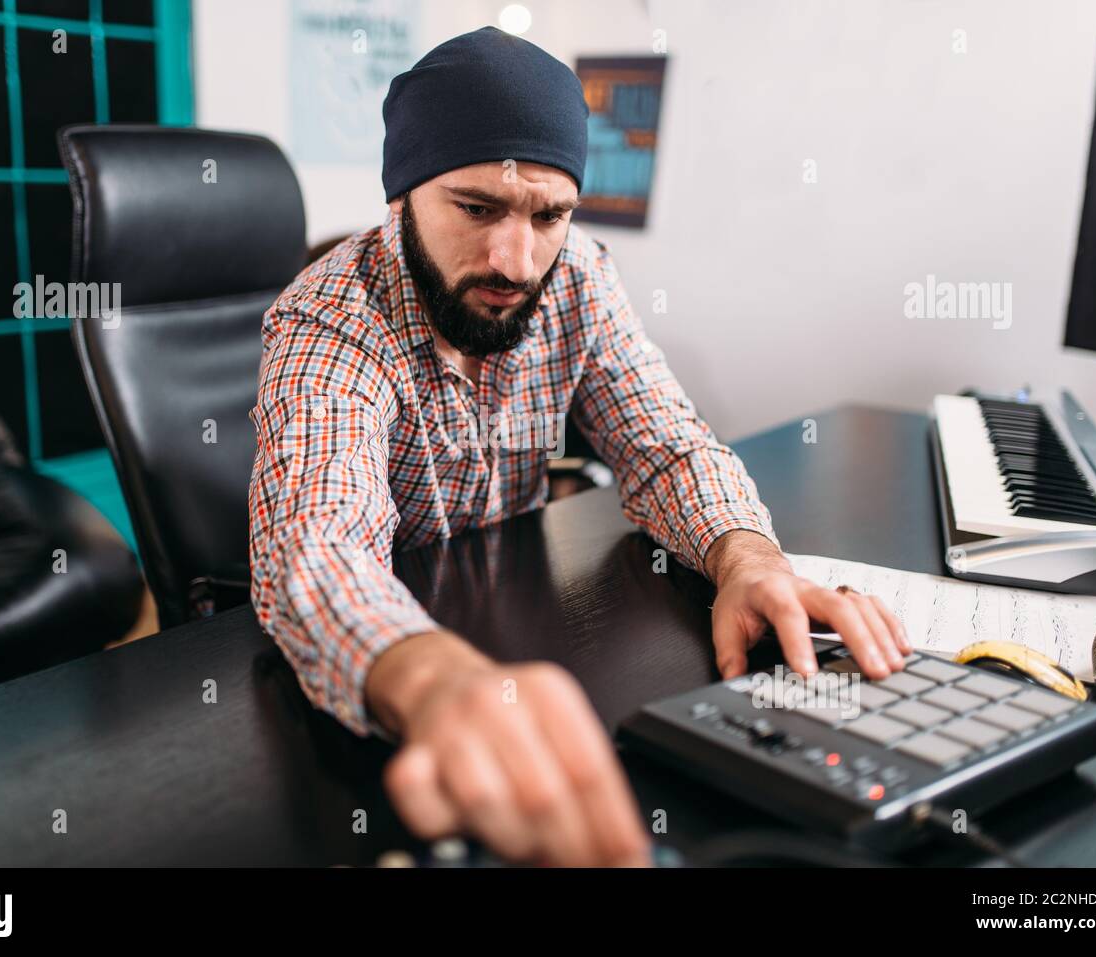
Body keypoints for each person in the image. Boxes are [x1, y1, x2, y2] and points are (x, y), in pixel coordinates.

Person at [249, 25, 911, 866]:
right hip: (363, 713)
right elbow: (318, 543)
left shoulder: (578, 277)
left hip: (518, 628)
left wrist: (747, 558)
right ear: (402, 194)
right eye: (477, 207)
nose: (514, 260)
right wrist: (429, 680)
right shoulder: (330, 319)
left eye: (549, 214)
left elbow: (667, 445)